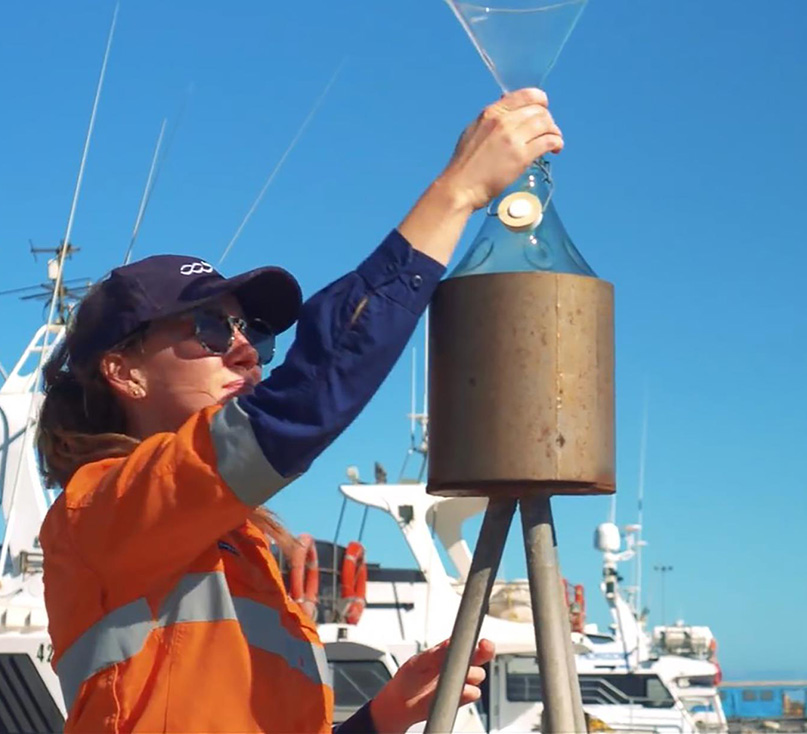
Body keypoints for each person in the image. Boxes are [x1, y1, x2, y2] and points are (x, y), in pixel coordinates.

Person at [36, 87, 563, 733]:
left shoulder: (241, 548)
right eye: (207, 329)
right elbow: (303, 399)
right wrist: (456, 193)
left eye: (253, 334)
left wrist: (381, 719)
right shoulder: (101, 512)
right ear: (123, 372)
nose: (243, 353)